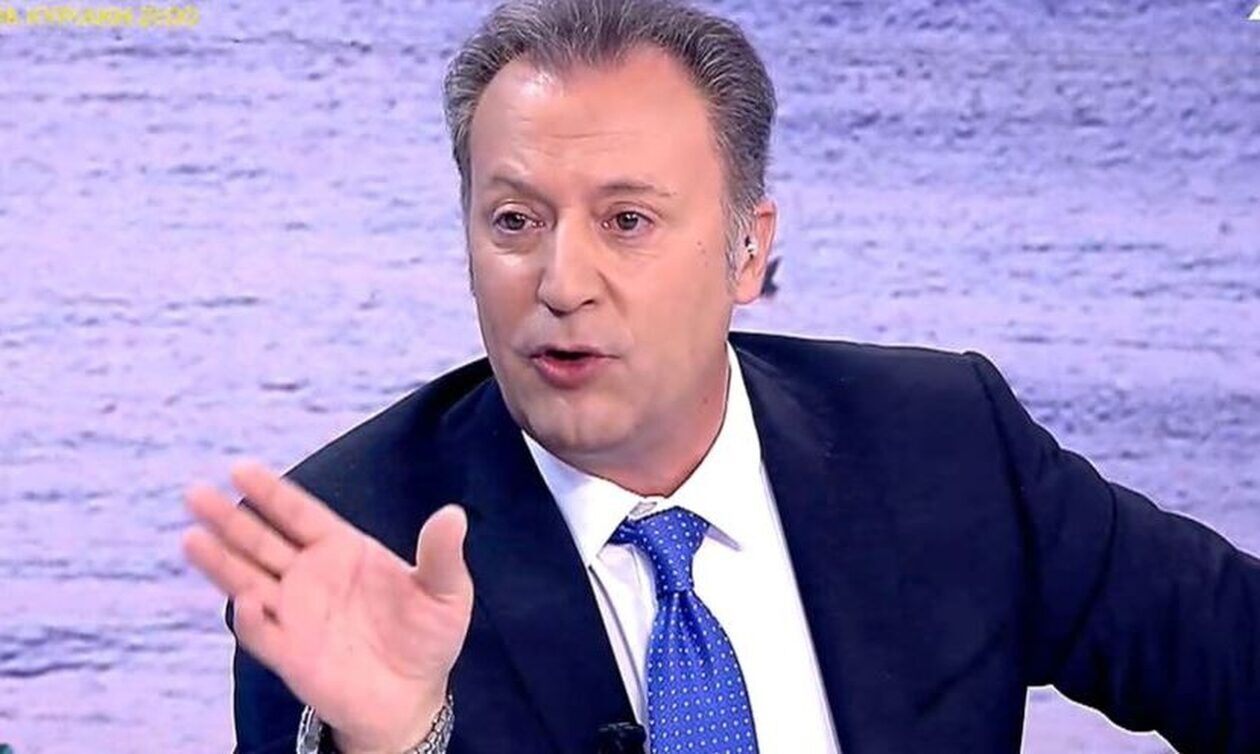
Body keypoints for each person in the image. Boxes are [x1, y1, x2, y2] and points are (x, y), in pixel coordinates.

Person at [180, 0, 1260, 752]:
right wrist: (392, 744)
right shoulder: (345, 546)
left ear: (749, 249)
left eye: (627, 220)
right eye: (514, 221)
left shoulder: (945, 442)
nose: (561, 281)